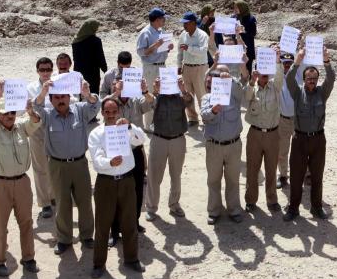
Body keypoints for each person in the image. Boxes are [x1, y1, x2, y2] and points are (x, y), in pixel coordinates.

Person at [31, 78, 101, 254]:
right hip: (57, 166)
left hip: (79, 164)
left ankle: (86, 236)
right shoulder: (47, 115)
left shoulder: (80, 110)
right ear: (51, 100)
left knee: (85, 200)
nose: (60, 100)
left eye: (64, 96)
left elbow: (95, 105)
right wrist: (43, 92)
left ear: (69, 97)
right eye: (56, 97)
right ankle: (64, 239)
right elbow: (35, 107)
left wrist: (87, 94)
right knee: (62, 203)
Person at [0, 83, 41, 276]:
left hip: (22, 182)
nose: (9, 116)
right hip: (0, 183)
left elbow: (35, 122)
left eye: (12, 113)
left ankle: (29, 258)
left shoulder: (20, 128)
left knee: (26, 222)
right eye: (5, 113)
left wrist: (30, 110)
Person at [87, 99, 147, 279]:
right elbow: (96, 160)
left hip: (127, 181)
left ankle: (131, 258)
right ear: (102, 113)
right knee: (103, 224)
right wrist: (109, 163)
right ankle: (99, 263)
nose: (111, 115)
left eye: (114, 111)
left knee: (129, 222)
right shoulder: (96, 134)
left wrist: (130, 127)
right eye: (107, 112)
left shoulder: (126, 129)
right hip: (106, 182)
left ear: (119, 111)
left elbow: (141, 139)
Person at [284, 46, 335, 221]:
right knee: (296, 176)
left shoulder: (323, 92)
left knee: (317, 176)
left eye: (314, 78)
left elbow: (332, 78)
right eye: (309, 78)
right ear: (304, 79)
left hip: (318, 140)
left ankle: (316, 207)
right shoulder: (297, 92)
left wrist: (326, 60)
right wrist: (297, 61)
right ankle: (293, 208)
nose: (311, 81)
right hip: (299, 139)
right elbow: (289, 77)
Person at [104, 79, 154, 245]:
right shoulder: (110, 103)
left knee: (138, 189)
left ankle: (134, 221)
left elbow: (152, 102)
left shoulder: (136, 100)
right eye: (120, 85)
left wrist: (145, 91)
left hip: (134, 151)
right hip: (116, 154)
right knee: (115, 194)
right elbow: (100, 106)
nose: (124, 88)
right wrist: (116, 93)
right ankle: (115, 230)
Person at [144, 73, 193, 220]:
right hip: (159, 140)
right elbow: (149, 100)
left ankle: (174, 204)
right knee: (154, 176)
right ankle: (151, 208)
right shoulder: (158, 97)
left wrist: (183, 89)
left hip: (178, 140)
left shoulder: (180, 97)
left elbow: (190, 102)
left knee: (176, 175)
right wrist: (153, 91)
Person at [201, 66, 246, 224]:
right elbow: (204, 117)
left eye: (215, 82)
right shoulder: (206, 99)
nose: (211, 86)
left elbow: (241, 90)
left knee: (233, 179)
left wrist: (231, 79)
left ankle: (234, 209)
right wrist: (213, 111)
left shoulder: (234, 96)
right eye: (210, 83)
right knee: (213, 180)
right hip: (214, 146)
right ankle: (214, 211)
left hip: (234, 145)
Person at [243, 59, 283, 213]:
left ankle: (272, 200)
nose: (264, 76)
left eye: (267, 74)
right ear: (257, 73)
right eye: (261, 74)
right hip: (255, 134)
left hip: (272, 134)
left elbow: (280, 77)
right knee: (252, 168)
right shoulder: (252, 89)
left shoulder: (275, 87)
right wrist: (252, 81)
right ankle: (251, 200)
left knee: (271, 168)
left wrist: (277, 61)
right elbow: (246, 98)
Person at [27, 57, 56, 219]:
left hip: (56, 129)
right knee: (40, 167)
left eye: (48, 69)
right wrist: (42, 93)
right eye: (42, 70)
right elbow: (29, 106)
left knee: (55, 165)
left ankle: (53, 196)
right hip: (37, 129)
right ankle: (45, 203)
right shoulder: (31, 87)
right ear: (37, 71)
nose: (45, 73)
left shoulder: (59, 83)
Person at [136, 7, 174, 124]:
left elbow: (160, 51)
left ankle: (160, 122)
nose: (164, 21)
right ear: (157, 19)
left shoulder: (160, 31)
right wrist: (155, 45)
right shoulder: (145, 33)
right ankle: (149, 125)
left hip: (162, 66)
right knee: (150, 95)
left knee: (163, 94)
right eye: (163, 19)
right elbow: (141, 52)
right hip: (151, 67)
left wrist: (168, 49)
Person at [177, 11, 210, 126]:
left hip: (200, 68)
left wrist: (189, 48)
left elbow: (202, 51)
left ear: (193, 23)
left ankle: (206, 117)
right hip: (187, 68)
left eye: (186, 23)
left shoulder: (202, 35)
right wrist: (178, 65)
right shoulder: (183, 35)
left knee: (202, 94)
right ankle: (192, 118)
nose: (184, 26)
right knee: (188, 95)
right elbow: (179, 52)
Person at [72, 19, 108, 94]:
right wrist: (105, 70)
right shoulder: (96, 41)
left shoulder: (75, 41)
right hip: (92, 72)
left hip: (79, 71)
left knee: (80, 93)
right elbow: (100, 57)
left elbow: (75, 58)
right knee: (93, 93)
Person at [277, 52, 296, 190]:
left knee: (300, 150)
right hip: (282, 119)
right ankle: (283, 175)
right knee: (282, 150)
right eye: (285, 63)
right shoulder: (276, 78)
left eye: (290, 64)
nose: (287, 66)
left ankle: (303, 175)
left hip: (297, 120)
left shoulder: (299, 77)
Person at [231, 0, 258, 73]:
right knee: (236, 71)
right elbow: (229, 32)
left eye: (237, 8)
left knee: (247, 70)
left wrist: (244, 31)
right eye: (234, 8)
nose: (235, 10)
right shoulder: (233, 18)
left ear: (242, 8)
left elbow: (253, 33)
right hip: (235, 48)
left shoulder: (251, 18)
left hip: (247, 49)